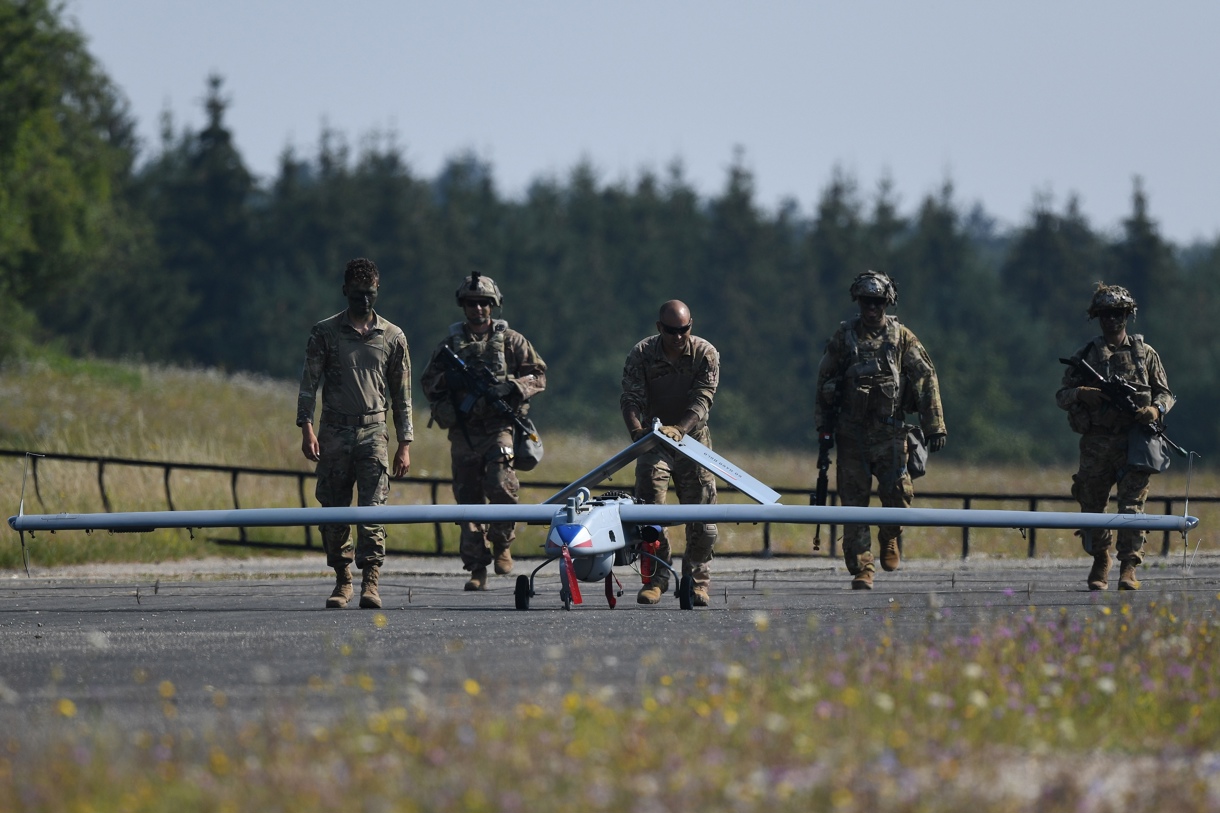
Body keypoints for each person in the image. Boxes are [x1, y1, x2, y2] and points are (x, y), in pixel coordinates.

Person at [814, 271, 946, 590]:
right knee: (854, 503)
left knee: (899, 496)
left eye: (877, 302)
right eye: (865, 302)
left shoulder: (901, 337)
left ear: (886, 302)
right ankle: (863, 566)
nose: (871, 308)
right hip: (852, 435)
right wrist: (824, 428)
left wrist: (934, 425)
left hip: (890, 435)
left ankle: (890, 535)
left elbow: (925, 378)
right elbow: (824, 380)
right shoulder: (844, 336)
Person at [297, 258, 412, 610]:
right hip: (334, 430)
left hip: (374, 431)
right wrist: (307, 427)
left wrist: (405, 443)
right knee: (333, 511)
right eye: (358, 294)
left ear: (378, 292)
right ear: (346, 291)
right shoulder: (326, 333)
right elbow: (309, 383)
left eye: (370, 294)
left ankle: (371, 582)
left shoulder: (392, 336)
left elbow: (402, 394)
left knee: (373, 511)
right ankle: (342, 579)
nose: (364, 301)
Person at [421, 273, 547, 591]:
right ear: (463, 305)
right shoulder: (450, 345)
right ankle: (477, 568)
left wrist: (510, 387)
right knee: (468, 500)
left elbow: (539, 376)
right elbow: (428, 382)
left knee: (502, 486)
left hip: (499, 428)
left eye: (484, 303)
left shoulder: (512, 341)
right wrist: (450, 381)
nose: (477, 308)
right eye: (471, 303)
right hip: (464, 432)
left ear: (493, 306)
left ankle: (502, 543)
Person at [1056, 283, 1174, 591]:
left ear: (1128, 315)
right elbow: (1061, 396)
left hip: (1135, 441)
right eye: (1106, 314)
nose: (1112, 320)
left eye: (1118, 314)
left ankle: (1129, 566)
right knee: (1092, 503)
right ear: (1097, 316)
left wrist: (1155, 410)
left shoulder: (1145, 355)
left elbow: (1166, 394)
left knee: (1132, 507)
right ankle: (1101, 559)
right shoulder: (1086, 355)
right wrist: (1082, 393)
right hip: (1097, 442)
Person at [621, 300, 720, 606]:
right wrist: (637, 432)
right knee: (649, 513)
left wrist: (680, 428)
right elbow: (631, 397)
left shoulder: (705, 353)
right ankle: (657, 578)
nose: (678, 336)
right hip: (654, 439)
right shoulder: (642, 353)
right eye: (671, 331)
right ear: (659, 328)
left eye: (684, 330)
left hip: (693, 441)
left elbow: (703, 398)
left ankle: (696, 582)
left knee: (703, 519)